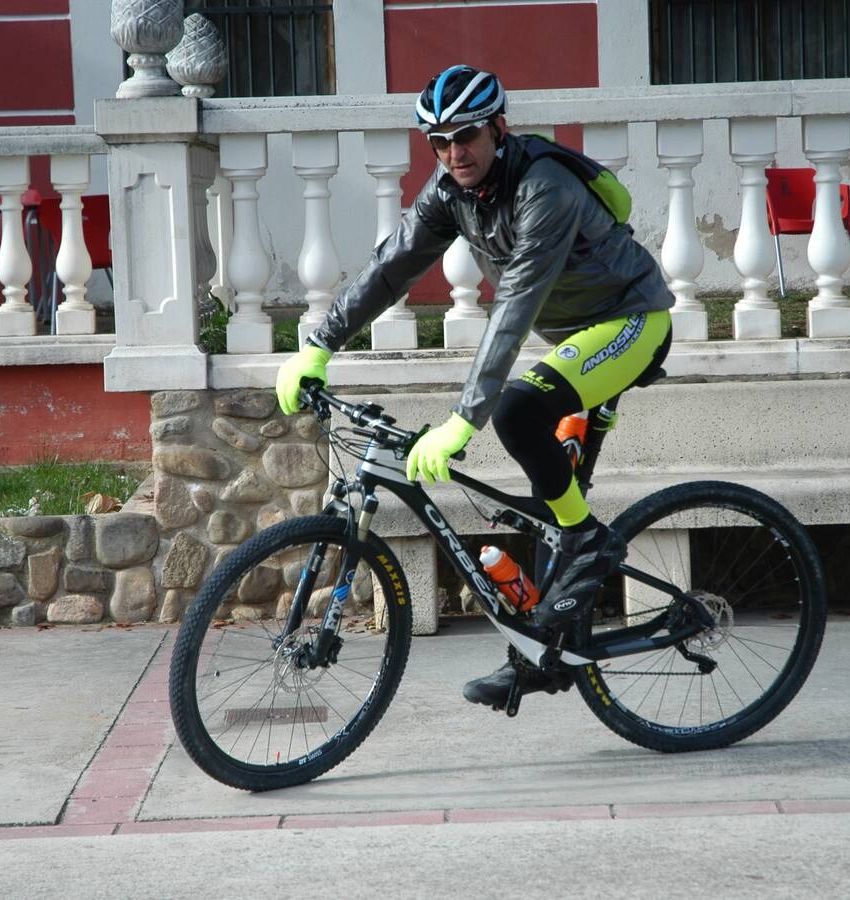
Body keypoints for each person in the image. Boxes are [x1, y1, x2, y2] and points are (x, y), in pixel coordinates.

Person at [275, 64, 675, 709]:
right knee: (550, 507)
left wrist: (465, 417)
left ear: (499, 130)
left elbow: (515, 303)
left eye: (466, 136)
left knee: (517, 415)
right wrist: (319, 344)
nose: (454, 153)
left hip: (629, 321)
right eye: (439, 142)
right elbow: (393, 264)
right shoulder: (451, 189)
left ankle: (590, 541)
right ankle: (540, 657)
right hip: (573, 337)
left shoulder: (546, 187)